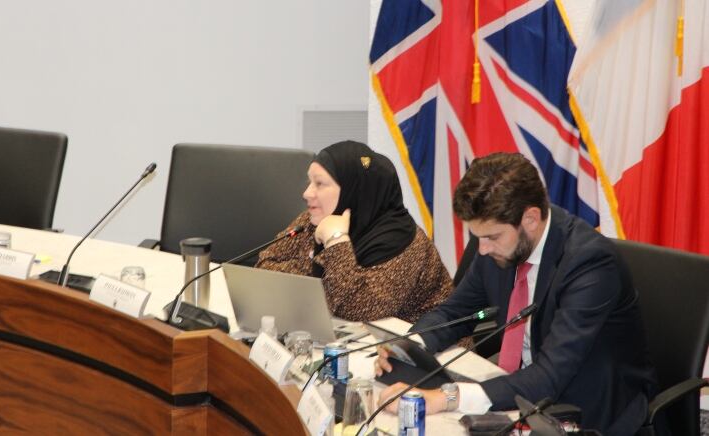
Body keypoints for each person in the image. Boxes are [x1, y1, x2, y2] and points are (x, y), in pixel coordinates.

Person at [375, 153, 658, 436]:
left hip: (587, 410)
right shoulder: (499, 249)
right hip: (520, 391)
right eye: (478, 237)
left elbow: (549, 376)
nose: (482, 249)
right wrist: (407, 348)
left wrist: (448, 397)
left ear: (531, 219)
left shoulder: (590, 264)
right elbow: (453, 313)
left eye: (492, 237)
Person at [256, 140, 453, 323]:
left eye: (320, 184)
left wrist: (336, 241)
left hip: (428, 352)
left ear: (354, 189)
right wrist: (320, 277)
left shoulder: (405, 244)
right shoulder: (313, 220)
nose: (306, 193)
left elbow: (354, 312)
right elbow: (263, 268)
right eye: (309, 182)